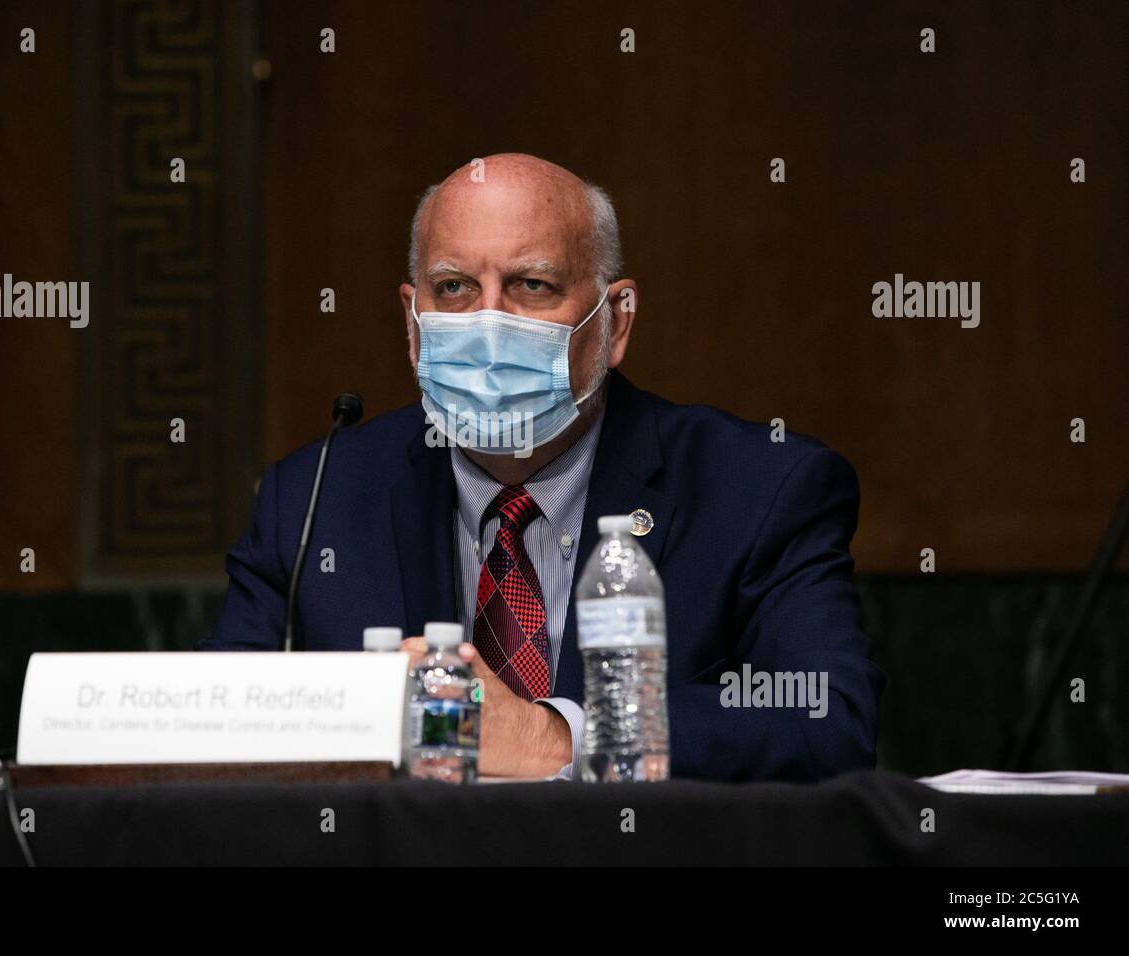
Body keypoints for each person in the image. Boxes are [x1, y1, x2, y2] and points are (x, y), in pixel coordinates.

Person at [203, 153, 883, 781]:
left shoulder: (759, 488)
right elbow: (208, 727)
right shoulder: (313, 497)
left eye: (532, 285)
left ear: (616, 323)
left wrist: (554, 737)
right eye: (455, 287)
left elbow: (828, 723)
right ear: (413, 324)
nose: (488, 324)